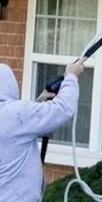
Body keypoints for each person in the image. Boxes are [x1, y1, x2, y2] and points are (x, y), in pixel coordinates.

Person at [0, 59, 85, 202]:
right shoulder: (14, 113)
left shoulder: (14, 116)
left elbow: (17, 128)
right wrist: (71, 76)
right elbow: (63, 109)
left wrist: (39, 103)